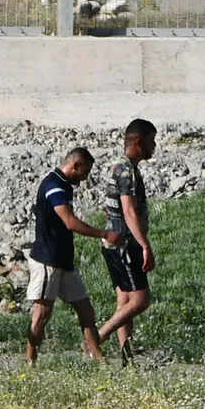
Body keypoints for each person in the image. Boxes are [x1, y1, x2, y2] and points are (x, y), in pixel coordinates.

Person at [25, 148, 123, 365]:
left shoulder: (64, 185)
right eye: (85, 171)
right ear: (75, 165)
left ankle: (98, 359)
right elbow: (69, 222)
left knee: (86, 310)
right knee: (42, 315)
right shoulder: (54, 186)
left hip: (63, 260)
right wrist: (104, 234)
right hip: (47, 260)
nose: (86, 177)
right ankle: (30, 361)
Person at [98, 119, 158, 365]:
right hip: (125, 244)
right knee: (140, 300)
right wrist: (144, 245)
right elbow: (129, 211)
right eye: (152, 141)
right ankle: (96, 337)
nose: (155, 146)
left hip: (112, 242)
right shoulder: (127, 171)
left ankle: (126, 356)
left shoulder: (116, 167)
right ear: (139, 142)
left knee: (124, 299)